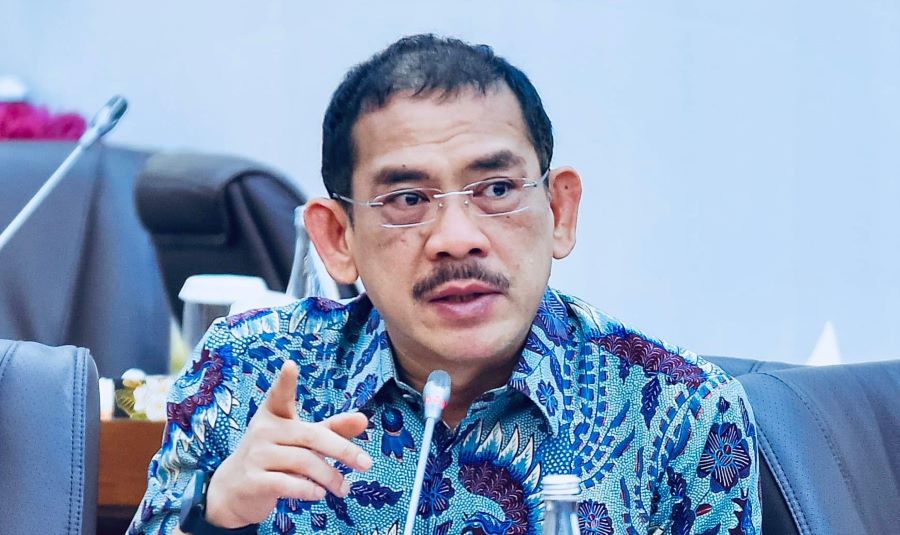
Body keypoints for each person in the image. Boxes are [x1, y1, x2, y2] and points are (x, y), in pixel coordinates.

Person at [129, 34, 761, 535]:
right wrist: (215, 517)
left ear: (559, 211)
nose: (457, 238)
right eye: (407, 198)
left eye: (497, 189)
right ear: (338, 239)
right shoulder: (250, 373)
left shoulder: (678, 412)